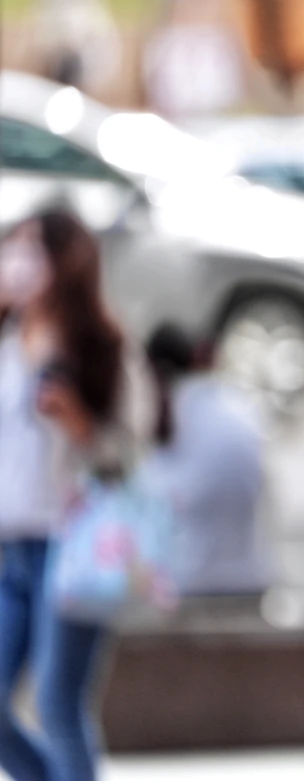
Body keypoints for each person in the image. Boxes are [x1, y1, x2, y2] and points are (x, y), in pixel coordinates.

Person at [0, 208, 152, 781]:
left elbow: (129, 453)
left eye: (31, 251)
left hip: (75, 544)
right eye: (11, 248)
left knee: (59, 703)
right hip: (13, 549)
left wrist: (79, 425)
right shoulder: (8, 342)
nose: (16, 264)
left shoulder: (100, 346)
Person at [142, 324, 270, 600]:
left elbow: (152, 501)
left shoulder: (168, 412)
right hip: (251, 574)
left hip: (188, 580)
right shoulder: (242, 405)